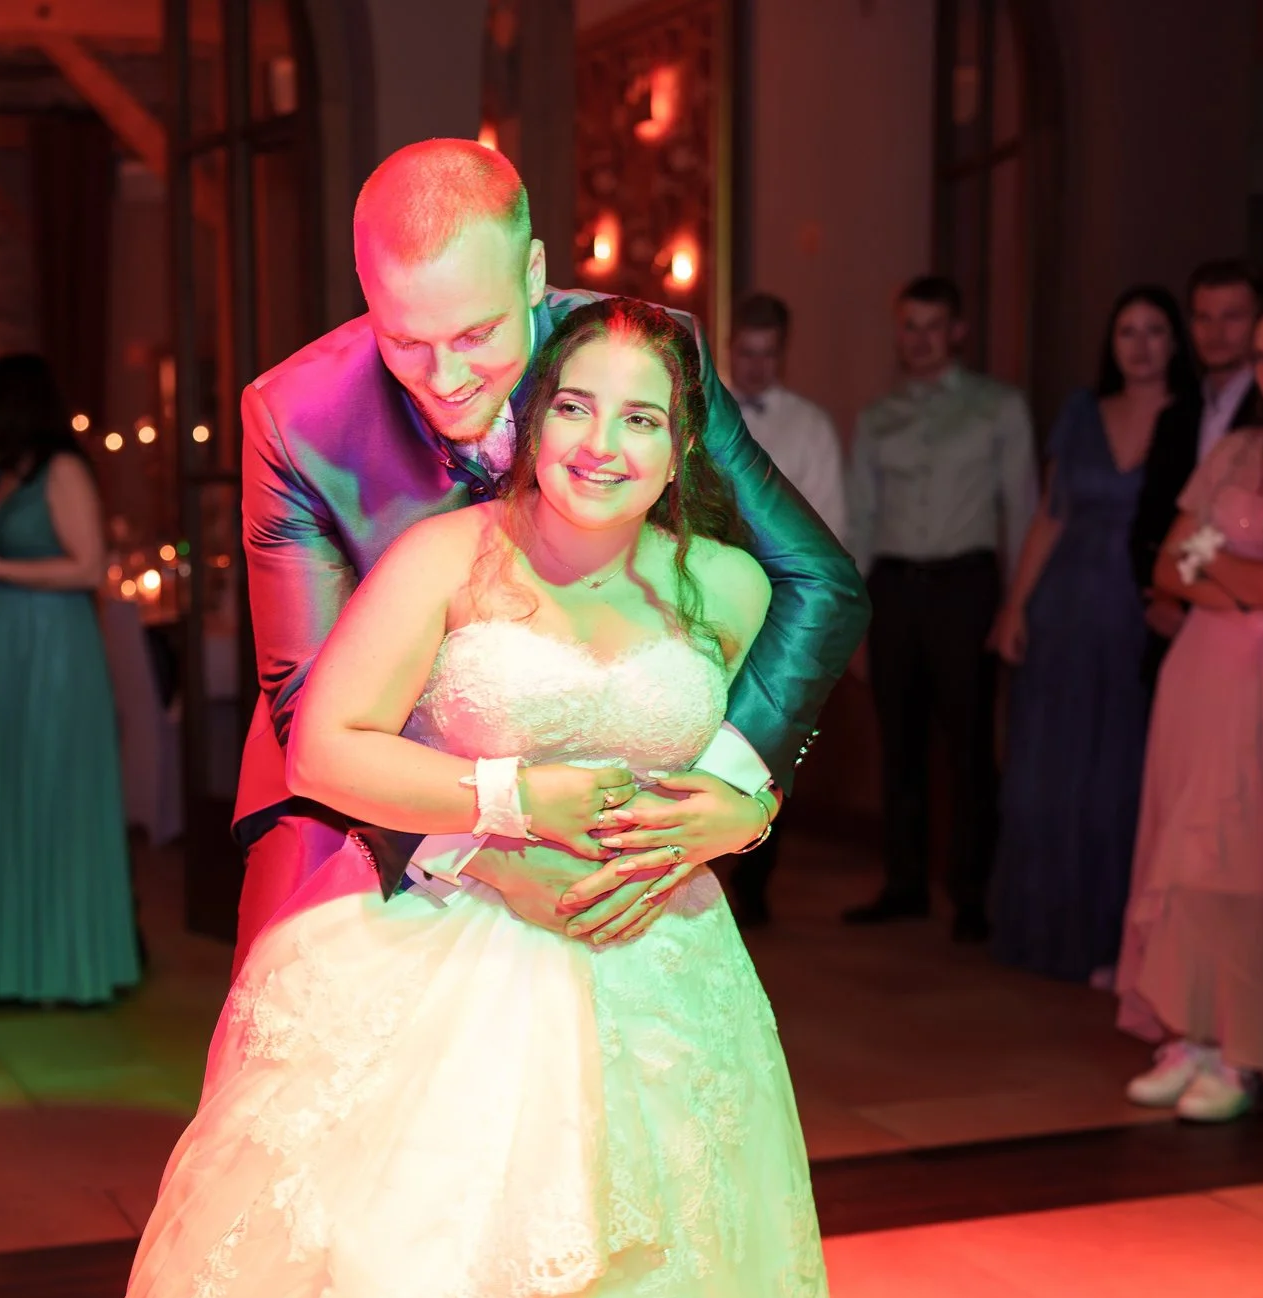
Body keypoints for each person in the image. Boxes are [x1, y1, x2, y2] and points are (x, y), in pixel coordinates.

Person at [0, 296, 844, 1298]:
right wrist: (503, 806)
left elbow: (759, 749)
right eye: (577, 407)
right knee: (441, 1291)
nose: (604, 444)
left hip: (673, 979)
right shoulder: (452, 554)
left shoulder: (730, 589)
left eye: (642, 418)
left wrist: (748, 811)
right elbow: (328, 744)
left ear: (685, 447)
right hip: (479, 969)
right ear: (535, 419)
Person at [229, 139, 866, 973]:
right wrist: (485, 851)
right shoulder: (293, 416)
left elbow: (818, 580)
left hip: (599, 807)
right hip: (356, 800)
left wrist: (734, 786)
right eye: (404, 340)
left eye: (477, 333)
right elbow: (309, 702)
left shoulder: (640, 355)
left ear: (533, 275)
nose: (445, 376)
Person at [1117, 293, 1263, 1122]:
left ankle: (1245, 1048)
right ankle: (1190, 1030)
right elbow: (1167, 566)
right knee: (1184, 851)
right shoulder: (1236, 445)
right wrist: (1234, 583)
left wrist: (1216, 571)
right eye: (1262, 355)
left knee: (1246, 859)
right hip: (1198, 669)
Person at [0, 353, 137, 1013]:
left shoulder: (62, 469)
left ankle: (57, 966)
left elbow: (88, 566)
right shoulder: (3, 472)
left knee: (49, 790)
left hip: (51, 649)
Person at [990, 285, 1191, 983]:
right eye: (1127, 331)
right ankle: (1046, 932)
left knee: (1119, 776)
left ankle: (1113, 942)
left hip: (1136, 611)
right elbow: (1051, 515)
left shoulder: (1191, 417)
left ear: (1175, 341)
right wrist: (1015, 608)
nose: (1140, 345)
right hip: (1064, 609)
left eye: (1154, 330)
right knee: (1051, 773)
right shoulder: (1082, 412)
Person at [842, 274, 1036, 942]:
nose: (920, 340)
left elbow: (1023, 509)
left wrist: (1016, 604)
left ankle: (974, 893)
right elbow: (860, 521)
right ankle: (904, 883)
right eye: (909, 326)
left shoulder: (998, 407)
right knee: (899, 744)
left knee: (970, 746)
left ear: (957, 331)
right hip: (894, 588)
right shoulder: (876, 418)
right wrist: (855, 618)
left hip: (966, 587)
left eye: (932, 326)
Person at [721, 290, 847, 926]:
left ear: (783, 353)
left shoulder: (811, 427)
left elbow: (832, 527)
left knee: (768, 735)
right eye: (746, 352)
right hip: (708, 596)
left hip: (782, 606)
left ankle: (755, 877)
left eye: (768, 354)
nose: (756, 366)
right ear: (729, 345)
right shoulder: (700, 408)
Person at [1132, 260, 1263, 672]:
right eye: (1203, 318)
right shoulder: (1176, 415)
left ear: (1259, 321)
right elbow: (1150, 520)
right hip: (1171, 619)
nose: (1215, 332)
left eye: (1232, 317)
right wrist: (1161, 595)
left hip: (1249, 617)